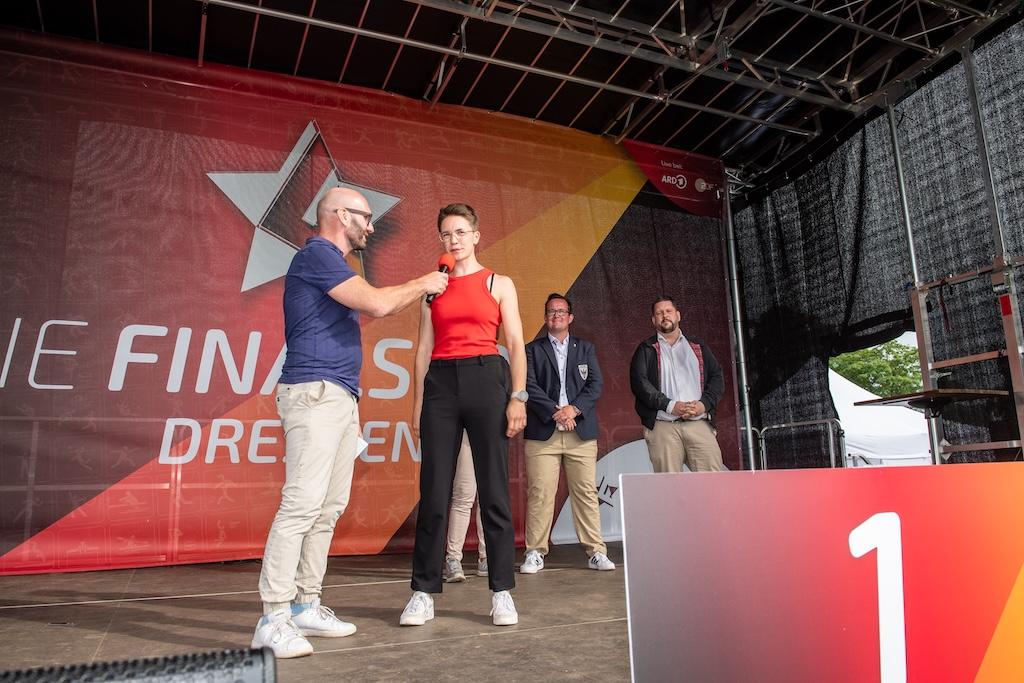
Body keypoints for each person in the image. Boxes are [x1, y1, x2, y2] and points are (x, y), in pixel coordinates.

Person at [252, 187, 449, 658]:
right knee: (301, 505)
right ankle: (272, 618)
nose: (371, 226)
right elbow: (378, 304)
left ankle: (305, 604)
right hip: (313, 392)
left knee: (328, 508)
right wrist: (425, 282)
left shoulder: (335, 263)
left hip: (339, 396)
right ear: (341, 214)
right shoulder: (317, 255)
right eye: (366, 217)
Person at [403, 203, 527, 627]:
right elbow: (422, 349)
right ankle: (422, 592)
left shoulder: (498, 282)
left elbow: (515, 343)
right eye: (446, 234)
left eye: (460, 232)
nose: (453, 240)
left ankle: (502, 592)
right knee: (434, 490)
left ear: (475, 235)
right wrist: (417, 404)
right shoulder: (433, 288)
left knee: (493, 490)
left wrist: (518, 396)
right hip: (441, 384)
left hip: (486, 377)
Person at [520, 293, 615, 575]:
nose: (556, 315)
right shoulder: (532, 350)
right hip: (543, 433)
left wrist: (573, 410)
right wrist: (555, 411)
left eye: (561, 311)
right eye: (551, 311)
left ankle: (596, 551)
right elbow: (528, 385)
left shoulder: (585, 348)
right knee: (540, 493)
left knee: (586, 492)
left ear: (570, 317)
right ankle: (535, 552)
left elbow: (595, 385)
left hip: (580, 432)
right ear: (545, 317)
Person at [629, 296, 726, 473]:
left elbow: (717, 378)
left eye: (668, 311)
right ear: (653, 320)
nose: (664, 316)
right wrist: (670, 406)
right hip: (663, 426)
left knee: (712, 482)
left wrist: (703, 404)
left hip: (698, 423)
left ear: (678, 315)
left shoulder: (697, 346)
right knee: (669, 486)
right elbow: (640, 383)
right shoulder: (646, 349)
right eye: (659, 313)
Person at [442, 432, 487, 583]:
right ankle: (453, 559)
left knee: (489, 497)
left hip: (492, 428)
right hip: (466, 431)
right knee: (464, 494)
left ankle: (486, 557)